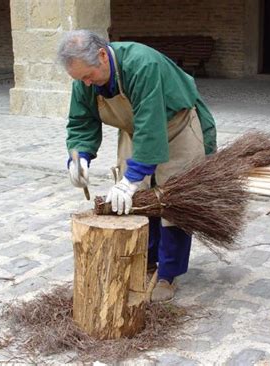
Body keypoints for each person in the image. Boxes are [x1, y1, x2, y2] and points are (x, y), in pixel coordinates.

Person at [57, 30, 217, 302]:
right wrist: (79, 157)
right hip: (135, 131)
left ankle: (167, 274)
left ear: (102, 56)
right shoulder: (83, 79)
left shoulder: (142, 65)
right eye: (80, 79)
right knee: (137, 201)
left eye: (88, 76)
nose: (86, 83)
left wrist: (130, 179)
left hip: (175, 127)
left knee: (172, 202)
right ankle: (147, 262)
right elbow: (81, 122)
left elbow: (150, 123)